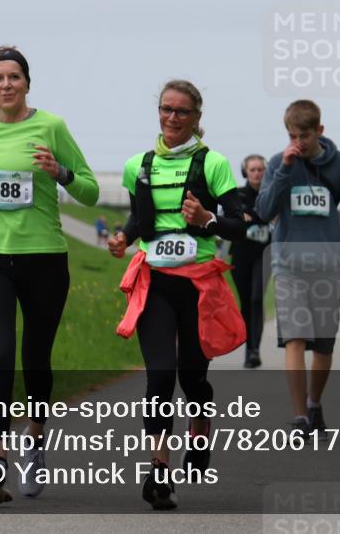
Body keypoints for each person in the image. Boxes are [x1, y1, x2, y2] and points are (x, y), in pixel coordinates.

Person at [0, 46, 99, 503]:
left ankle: (33, 443)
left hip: (45, 258)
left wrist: (62, 172)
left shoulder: (51, 127)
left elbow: (90, 191)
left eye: (14, 77)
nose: (6, 85)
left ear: (28, 84)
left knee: (35, 360)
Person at [108, 80, 246, 510]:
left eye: (181, 112)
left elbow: (241, 223)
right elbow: (138, 216)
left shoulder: (214, 164)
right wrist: (123, 237)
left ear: (196, 118)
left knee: (192, 377)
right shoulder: (139, 164)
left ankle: (200, 434)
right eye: (166, 109)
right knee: (161, 375)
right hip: (155, 281)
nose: (172, 118)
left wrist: (207, 219)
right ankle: (159, 471)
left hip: (198, 285)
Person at [256, 100, 340, 438]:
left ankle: (314, 403)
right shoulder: (279, 163)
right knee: (294, 337)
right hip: (288, 265)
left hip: (328, 267)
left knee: (323, 346)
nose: (298, 142)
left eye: (304, 135)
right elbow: (263, 211)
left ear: (320, 131)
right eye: (292, 135)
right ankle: (300, 419)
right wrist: (283, 170)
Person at [230, 154, 271, 368]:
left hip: (264, 255)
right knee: (245, 304)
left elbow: (268, 216)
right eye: (253, 170)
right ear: (245, 172)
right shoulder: (237, 195)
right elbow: (232, 218)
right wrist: (255, 216)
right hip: (240, 255)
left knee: (257, 299)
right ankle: (249, 350)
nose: (257, 173)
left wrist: (251, 216)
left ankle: (255, 349)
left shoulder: (270, 195)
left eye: (260, 169)